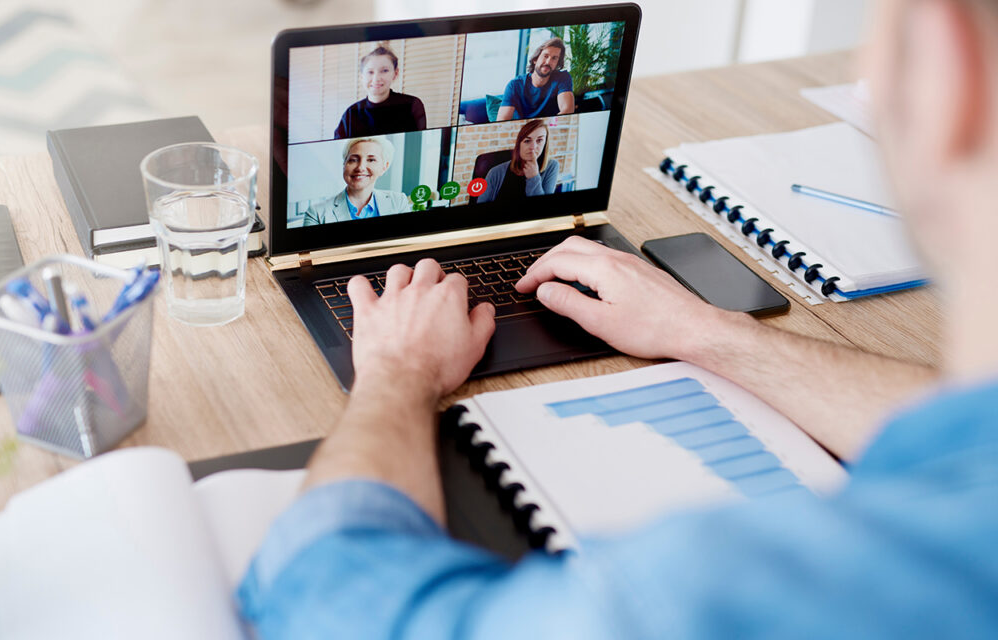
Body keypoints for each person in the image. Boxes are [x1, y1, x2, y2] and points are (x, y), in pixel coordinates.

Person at [239, 0, 998, 636]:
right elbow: (970, 431)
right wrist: (704, 330)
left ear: (943, 63)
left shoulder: (693, 593)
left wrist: (398, 371)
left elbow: (324, 587)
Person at [303, 136, 410, 226]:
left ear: (384, 167)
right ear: (344, 164)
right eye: (353, 160)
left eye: (371, 160)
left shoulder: (398, 202)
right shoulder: (316, 213)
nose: (360, 167)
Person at [334, 45, 427, 139]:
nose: (376, 78)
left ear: (395, 74)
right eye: (370, 72)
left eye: (384, 71)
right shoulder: (351, 113)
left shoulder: (412, 105)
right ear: (362, 77)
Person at [477, 119, 560, 203]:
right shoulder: (495, 172)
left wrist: (533, 177)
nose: (533, 147)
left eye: (539, 140)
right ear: (519, 145)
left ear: (545, 143)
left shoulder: (552, 166)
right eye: (527, 141)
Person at [496, 37, 575, 121]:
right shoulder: (515, 85)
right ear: (535, 59)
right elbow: (502, 120)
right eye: (545, 56)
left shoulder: (562, 78)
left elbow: (567, 111)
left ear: (557, 63)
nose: (548, 62)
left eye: (554, 58)